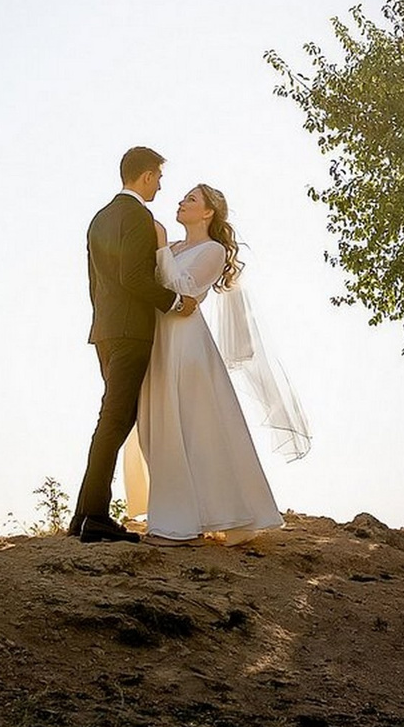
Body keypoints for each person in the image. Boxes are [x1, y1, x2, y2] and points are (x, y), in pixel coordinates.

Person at [121, 183, 299, 544]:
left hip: (186, 346)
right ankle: (175, 511)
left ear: (208, 213)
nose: (182, 202)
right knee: (156, 424)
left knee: (187, 424)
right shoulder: (172, 247)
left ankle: (182, 522)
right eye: (184, 197)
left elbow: (183, 288)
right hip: (158, 340)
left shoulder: (213, 251)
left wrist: (158, 247)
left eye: (191, 199)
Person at [71, 146, 188, 542]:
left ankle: (83, 516)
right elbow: (134, 276)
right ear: (147, 176)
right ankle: (96, 517)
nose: (161, 185)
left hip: (104, 330)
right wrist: (174, 301)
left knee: (113, 419)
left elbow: (95, 284)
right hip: (130, 332)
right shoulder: (139, 216)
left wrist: (104, 320)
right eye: (159, 176)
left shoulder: (99, 219)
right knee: (116, 420)